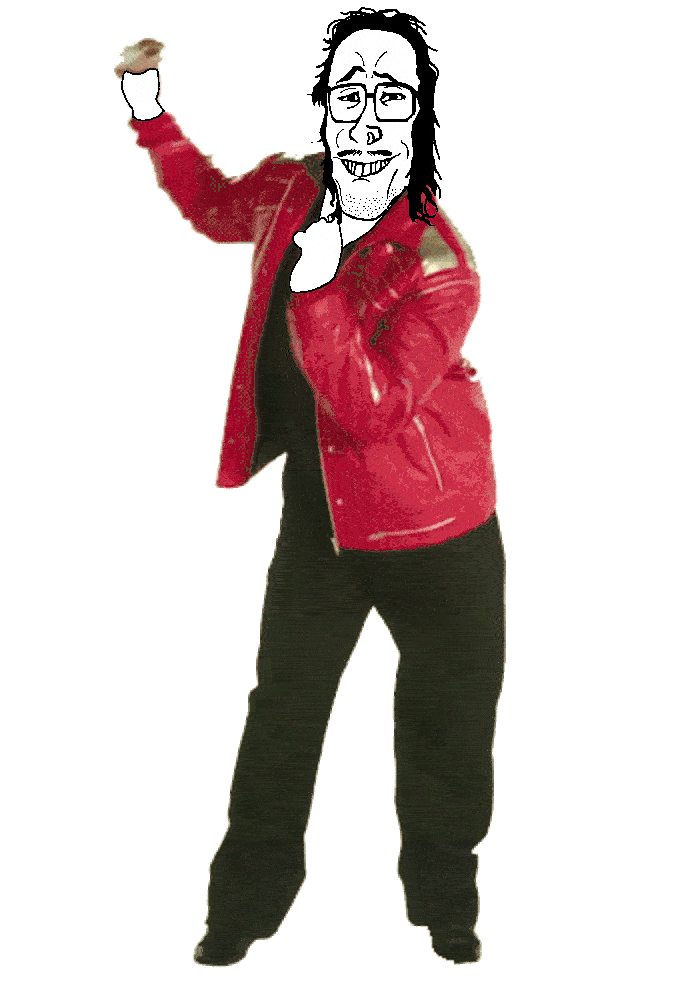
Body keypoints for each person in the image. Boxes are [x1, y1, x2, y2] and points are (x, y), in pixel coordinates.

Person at [115, 29, 504, 966]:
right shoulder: (291, 189)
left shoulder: (442, 264)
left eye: (390, 98)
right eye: (348, 95)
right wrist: (150, 115)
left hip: (439, 531)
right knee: (281, 719)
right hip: (323, 521)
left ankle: (445, 904)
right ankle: (241, 910)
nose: (366, 120)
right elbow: (214, 207)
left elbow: (368, 409)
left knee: (447, 729)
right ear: (326, 109)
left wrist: (319, 286)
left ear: (415, 118)